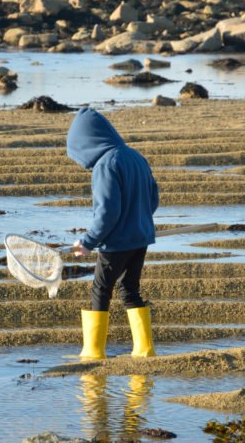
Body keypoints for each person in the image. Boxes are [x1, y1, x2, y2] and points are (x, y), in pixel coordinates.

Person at [66, 107, 159, 359]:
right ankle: (144, 349)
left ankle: (94, 351)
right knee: (129, 289)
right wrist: (138, 221)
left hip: (117, 243)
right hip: (140, 239)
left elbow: (107, 212)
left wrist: (88, 241)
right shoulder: (136, 157)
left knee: (100, 289)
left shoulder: (105, 165)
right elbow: (153, 199)